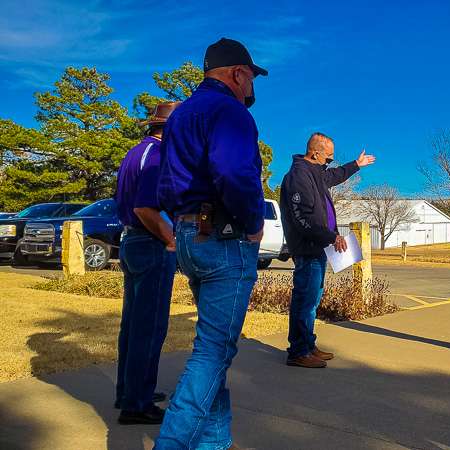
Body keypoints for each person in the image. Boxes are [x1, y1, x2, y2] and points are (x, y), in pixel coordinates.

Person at [154, 38, 267, 450]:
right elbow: (233, 173)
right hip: (224, 238)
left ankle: (215, 442)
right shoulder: (230, 111)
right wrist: (253, 222)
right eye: (252, 77)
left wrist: (181, 220)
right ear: (238, 73)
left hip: (189, 234)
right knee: (212, 354)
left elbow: (164, 182)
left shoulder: (182, 114)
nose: (253, 86)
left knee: (213, 352)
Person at [279, 132, 375, 368]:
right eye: (328, 158)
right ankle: (299, 352)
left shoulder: (316, 173)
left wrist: (356, 165)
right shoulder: (298, 177)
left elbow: (335, 175)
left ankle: (308, 345)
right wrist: (331, 236)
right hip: (307, 249)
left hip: (317, 248)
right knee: (305, 301)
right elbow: (304, 218)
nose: (329, 163)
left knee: (312, 301)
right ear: (315, 153)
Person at [114, 101, 180, 425]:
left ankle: (129, 389)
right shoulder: (158, 156)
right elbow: (145, 208)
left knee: (133, 324)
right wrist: (171, 238)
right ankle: (137, 403)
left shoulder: (135, 153)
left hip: (132, 242)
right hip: (150, 242)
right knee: (150, 327)